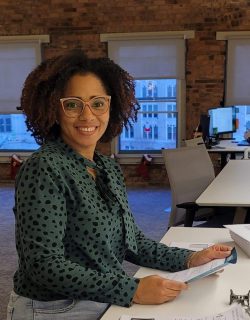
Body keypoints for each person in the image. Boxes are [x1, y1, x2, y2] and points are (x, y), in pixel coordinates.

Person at [7, 50, 232, 320]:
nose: (87, 115)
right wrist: (132, 290)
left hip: (100, 296)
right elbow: (43, 266)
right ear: (54, 109)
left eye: (97, 103)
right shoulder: (45, 168)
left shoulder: (106, 167)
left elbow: (130, 241)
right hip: (54, 307)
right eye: (73, 104)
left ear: (111, 107)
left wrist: (188, 259)